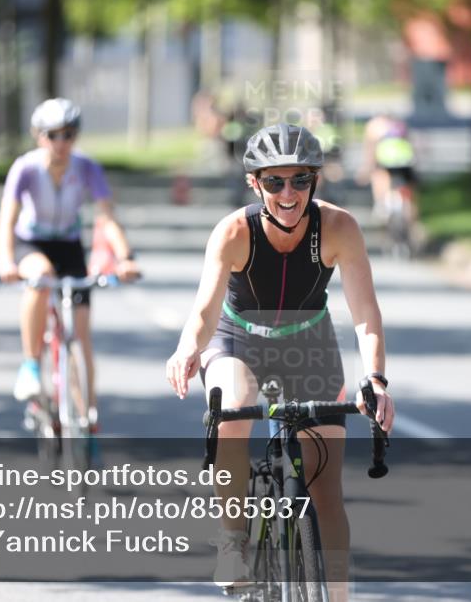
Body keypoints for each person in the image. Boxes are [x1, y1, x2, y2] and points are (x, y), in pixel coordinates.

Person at [165, 123, 395, 594]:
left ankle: (337, 595)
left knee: (326, 490)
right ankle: (233, 542)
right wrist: (188, 346)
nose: (288, 193)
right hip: (238, 338)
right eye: (274, 181)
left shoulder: (339, 228)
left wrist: (375, 378)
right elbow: (205, 312)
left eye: (299, 180)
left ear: (315, 180)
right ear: (255, 183)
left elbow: (365, 313)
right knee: (233, 404)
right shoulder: (234, 231)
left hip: (308, 341)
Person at [0, 98, 140, 430]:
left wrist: (125, 258)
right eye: (52, 135)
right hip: (30, 243)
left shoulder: (87, 167)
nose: (61, 143)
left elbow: (106, 218)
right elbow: (6, 221)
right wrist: (6, 262)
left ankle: (87, 412)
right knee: (40, 276)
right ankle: (31, 365)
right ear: (38, 135)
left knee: (81, 334)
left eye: (69, 134)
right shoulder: (26, 168)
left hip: (69, 246)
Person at [361, 114, 419, 221]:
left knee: (378, 174)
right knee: (410, 191)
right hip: (405, 161)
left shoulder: (373, 126)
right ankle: (412, 220)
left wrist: (366, 170)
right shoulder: (399, 124)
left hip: (386, 161)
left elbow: (371, 152)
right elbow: (410, 144)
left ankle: (381, 203)